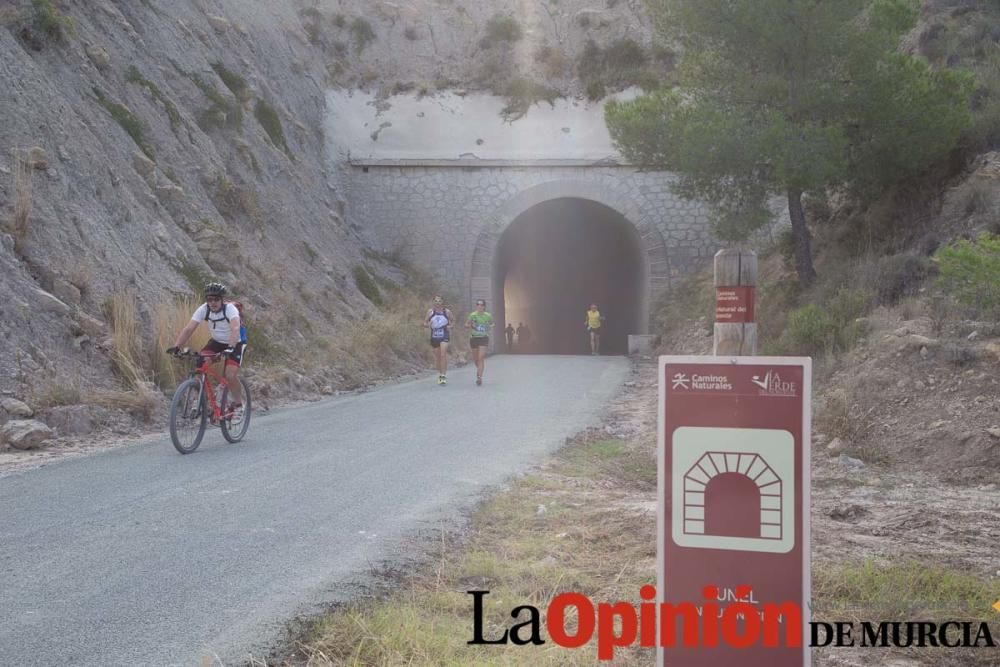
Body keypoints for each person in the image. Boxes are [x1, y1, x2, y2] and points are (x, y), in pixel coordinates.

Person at [167, 282, 245, 418]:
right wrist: (176, 347)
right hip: (216, 342)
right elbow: (189, 329)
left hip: (236, 342)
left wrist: (231, 347)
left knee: (230, 375)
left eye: (216, 299)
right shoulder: (204, 309)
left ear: (221, 300)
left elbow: (235, 329)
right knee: (200, 365)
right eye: (210, 299)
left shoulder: (230, 309)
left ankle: (239, 405)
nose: (213, 302)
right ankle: (201, 400)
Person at [425, 295, 453, 385]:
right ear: (433, 302)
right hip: (434, 336)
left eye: (439, 301)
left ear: (442, 302)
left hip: (444, 335)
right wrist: (427, 324)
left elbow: (453, 320)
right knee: (438, 358)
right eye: (436, 301)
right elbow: (424, 322)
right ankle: (440, 374)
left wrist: (450, 326)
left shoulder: (447, 312)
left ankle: (443, 376)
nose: (437, 303)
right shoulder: (430, 312)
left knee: (442, 355)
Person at [465, 299, 493, 386]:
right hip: (474, 338)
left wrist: (489, 326)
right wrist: (471, 325)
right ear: (476, 306)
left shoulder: (488, 315)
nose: (480, 306)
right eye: (478, 305)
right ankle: (479, 370)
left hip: (484, 338)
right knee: (476, 359)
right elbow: (466, 325)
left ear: (484, 306)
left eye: (481, 305)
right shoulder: (472, 315)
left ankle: (479, 377)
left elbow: (492, 323)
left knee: (481, 357)